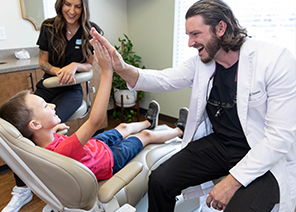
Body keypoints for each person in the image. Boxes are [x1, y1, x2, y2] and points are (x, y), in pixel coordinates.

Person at [90, 0, 296, 211]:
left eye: (195, 34)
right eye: (188, 35)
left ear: (221, 28)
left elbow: (280, 137)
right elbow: (163, 79)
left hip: (261, 149)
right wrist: (121, 67)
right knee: (160, 181)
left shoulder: (274, 59)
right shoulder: (203, 62)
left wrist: (233, 180)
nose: (189, 43)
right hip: (221, 143)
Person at [0, 40, 187, 209]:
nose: (53, 104)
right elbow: (95, 120)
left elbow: (54, 136)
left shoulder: (39, 144)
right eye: (45, 106)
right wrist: (106, 71)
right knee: (145, 137)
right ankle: (180, 130)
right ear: (35, 125)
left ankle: (148, 121)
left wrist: (53, 128)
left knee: (122, 127)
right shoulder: (63, 150)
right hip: (109, 160)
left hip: (94, 146)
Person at [1, 0, 103, 211]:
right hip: (47, 88)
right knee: (21, 131)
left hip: (72, 90)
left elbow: (91, 64)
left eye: (77, 6)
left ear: (84, 8)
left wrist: (74, 66)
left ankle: (54, 179)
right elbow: (43, 63)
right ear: (60, 4)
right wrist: (60, 71)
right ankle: (22, 190)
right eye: (68, 4)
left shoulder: (91, 30)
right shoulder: (49, 27)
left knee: (47, 131)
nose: (72, 11)